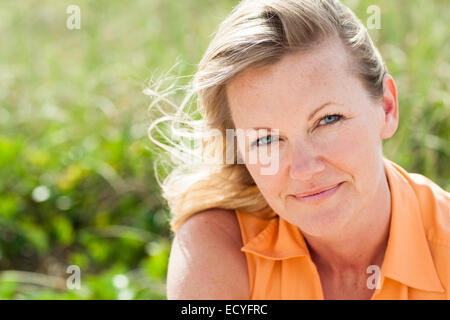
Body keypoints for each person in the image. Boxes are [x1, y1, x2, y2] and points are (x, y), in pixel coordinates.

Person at [148, 0, 450, 299]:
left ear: (386, 108)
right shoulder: (218, 247)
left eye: (328, 120)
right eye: (265, 140)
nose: (304, 168)